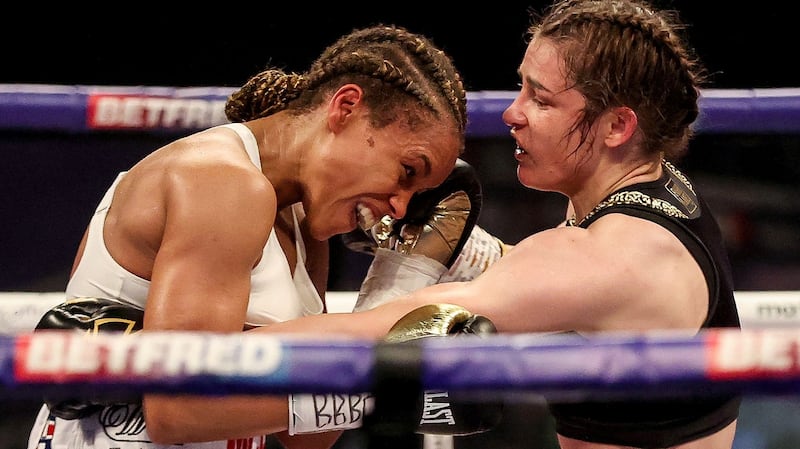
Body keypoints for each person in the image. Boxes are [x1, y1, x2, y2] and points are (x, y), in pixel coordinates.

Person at [260, 1, 742, 448]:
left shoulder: (600, 256)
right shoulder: (659, 190)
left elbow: (393, 331)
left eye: (542, 99)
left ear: (617, 127)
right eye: (522, 87)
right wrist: (466, 250)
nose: (512, 113)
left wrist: (202, 356)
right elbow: (577, 296)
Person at [26, 24, 470, 449]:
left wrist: (399, 277)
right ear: (346, 107)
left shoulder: (303, 222)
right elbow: (178, 410)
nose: (400, 207)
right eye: (407, 172)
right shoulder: (221, 181)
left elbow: (309, 436)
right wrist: (390, 376)